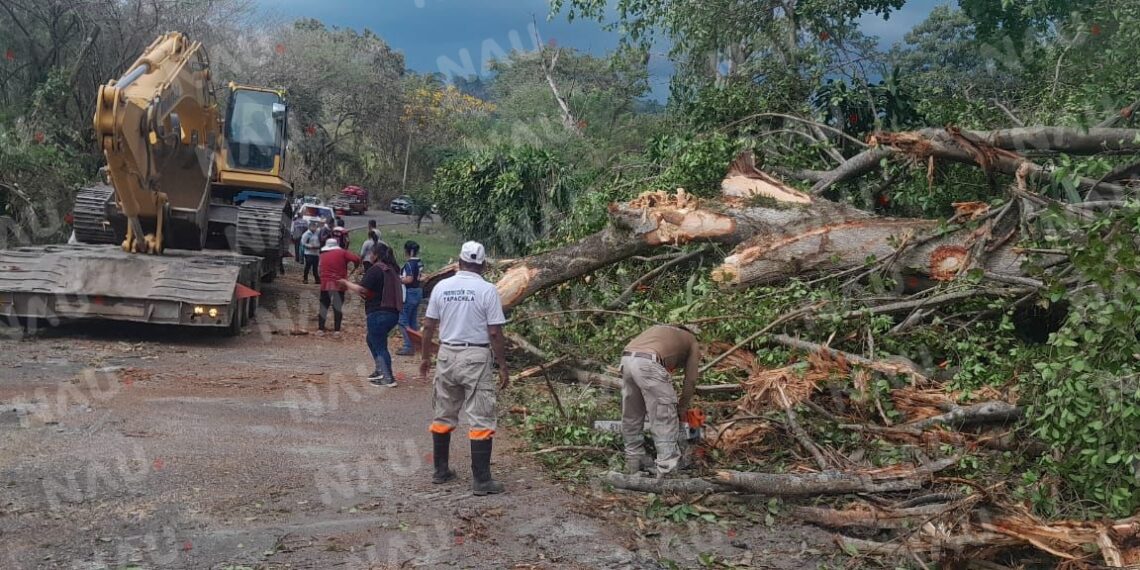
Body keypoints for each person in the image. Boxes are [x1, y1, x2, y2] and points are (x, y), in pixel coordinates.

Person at [418, 241, 509, 495]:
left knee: (443, 412)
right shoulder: (487, 290)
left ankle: (441, 470)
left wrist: (425, 358)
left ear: (458, 262)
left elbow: (428, 326)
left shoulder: (442, 287)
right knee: (480, 415)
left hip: (447, 355)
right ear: (482, 265)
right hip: (476, 356)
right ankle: (481, 481)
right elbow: (494, 331)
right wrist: (502, 365)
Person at [620, 324, 701, 478]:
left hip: (626, 359)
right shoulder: (692, 341)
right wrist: (682, 406)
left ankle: (633, 465)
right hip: (650, 361)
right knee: (664, 418)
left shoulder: (661, 331)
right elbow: (690, 380)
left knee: (632, 417)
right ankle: (667, 472)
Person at [342, 242, 403, 387]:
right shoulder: (392, 270)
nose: (369, 256)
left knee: (380, 344)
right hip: (393, 313)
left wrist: (346, 283)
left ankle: (388, 377)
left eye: (371, 253)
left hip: (379, 312)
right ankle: (380, 370)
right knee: (372, 339)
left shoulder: (376, 269)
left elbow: (363, 290)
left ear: (375, 255)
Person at [317, 238, 360, 338]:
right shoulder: (343, 253)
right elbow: (356, 259)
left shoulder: (322, 255)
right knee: (337, 307)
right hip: (339, 283)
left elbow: (319, 269)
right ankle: (336, 331)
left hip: (326, 283)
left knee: (323, 306)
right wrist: (356, 266)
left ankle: (320, 329)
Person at [396, 241, 424, 356]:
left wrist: (398, 279)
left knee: (402, 320)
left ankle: (408, 346)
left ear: (409, 251)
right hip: (418, 291)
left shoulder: (409, 264)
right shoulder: (419, 262)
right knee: (412, 320)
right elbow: (421, 277)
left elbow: (409, 279)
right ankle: (416, 344)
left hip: (409, 292)